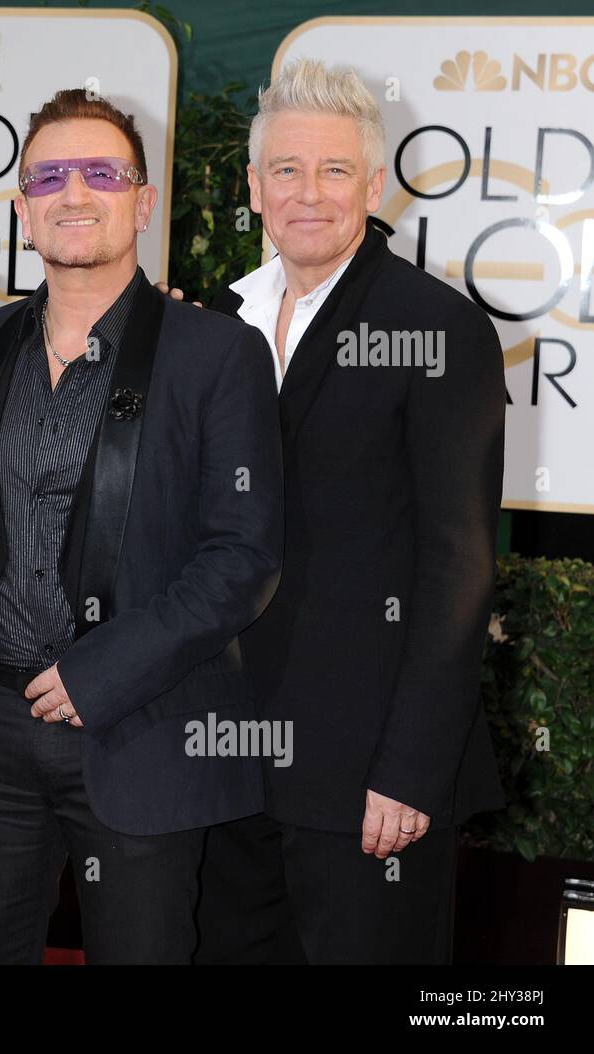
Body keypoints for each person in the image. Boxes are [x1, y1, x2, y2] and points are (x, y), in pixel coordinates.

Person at [0, 88, 284, 964]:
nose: (76, 194)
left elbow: (243, 556)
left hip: (142, 729)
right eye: (51, 176)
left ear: (143, 203)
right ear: (23, 207)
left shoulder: (216, 352)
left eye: (103, 173)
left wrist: (100, 672)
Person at [196, 59, 505, 965]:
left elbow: (460, 567)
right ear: (253, 188)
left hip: (367, 788)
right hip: (222, 768)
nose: (309, 194)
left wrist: (410, 771)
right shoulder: (219, 326)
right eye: (286, 170)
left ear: (374, 187)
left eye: (335, 171)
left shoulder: (436, 329)